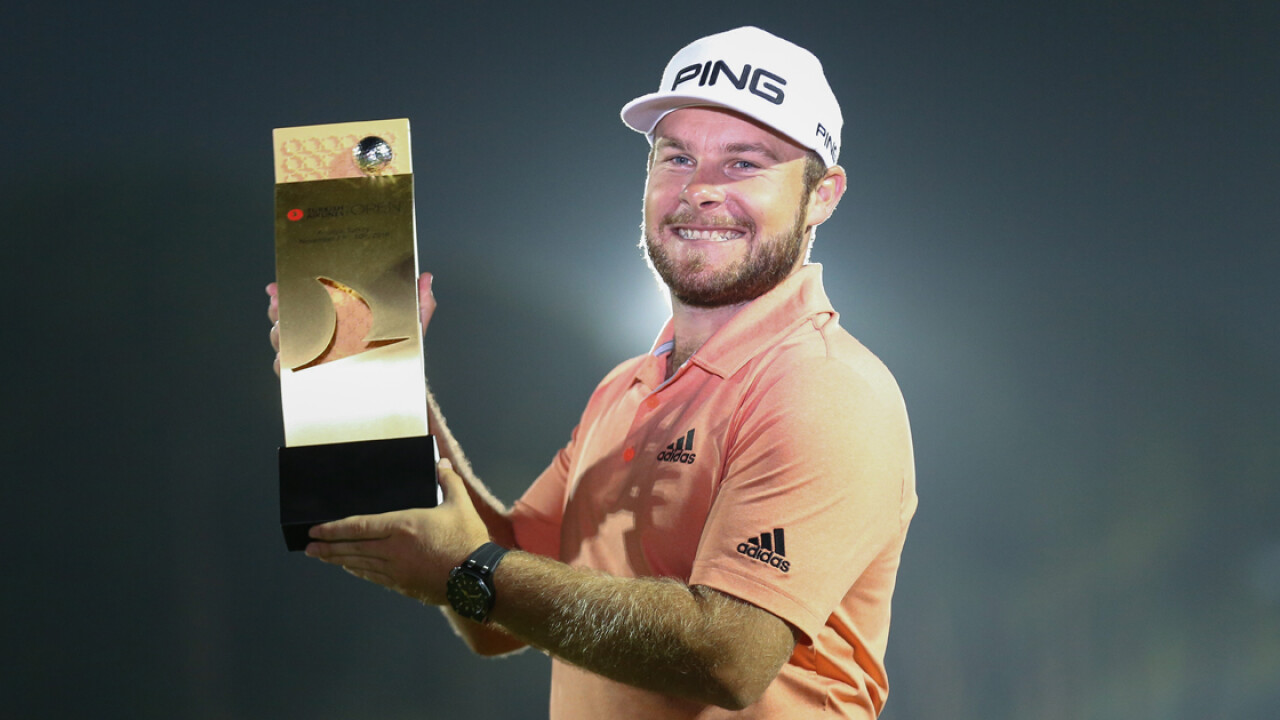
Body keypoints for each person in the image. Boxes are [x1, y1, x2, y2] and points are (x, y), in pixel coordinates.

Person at [268, 26, 916, 719]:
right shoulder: (625, 388)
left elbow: (730, 655)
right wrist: (387, 376)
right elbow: (495, 609)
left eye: (744, 163)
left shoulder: (824, 389)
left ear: (822, 196)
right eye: (677, 157)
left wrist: (471, 568)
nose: (700, 189)